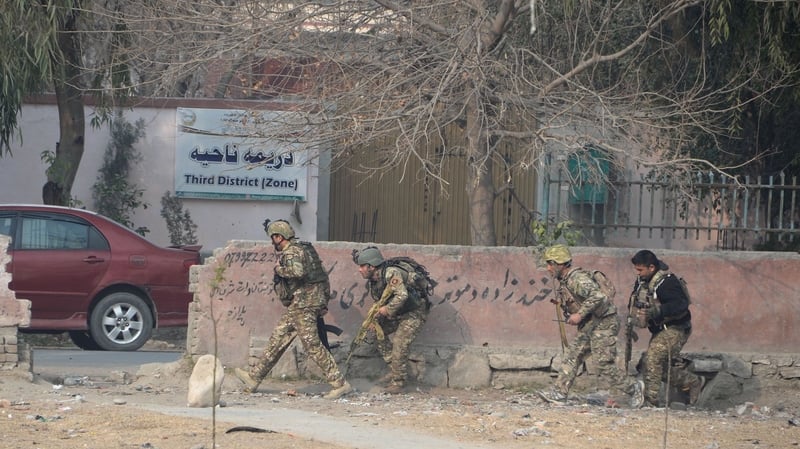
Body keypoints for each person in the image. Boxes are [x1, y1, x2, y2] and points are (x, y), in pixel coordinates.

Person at [234, 219, 352, 399]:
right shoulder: (305, 249)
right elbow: (322, 277)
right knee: (278, 338)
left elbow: (298, 273)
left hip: (303, 303)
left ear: (279, 237)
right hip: (304, 303)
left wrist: (279, 269)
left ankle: (340, 383)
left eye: (273, 238)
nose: (272, 242)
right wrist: (322, 302)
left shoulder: (291, 252)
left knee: (311, 344)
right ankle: (254, 378)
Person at [538, 244, 634, 405]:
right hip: (592, 323)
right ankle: (559, 393)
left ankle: (634, 388)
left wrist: (580, 314)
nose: (548, 268)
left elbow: (598, 297)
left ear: (560, 264)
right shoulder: (567, 280)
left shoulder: (577, 279)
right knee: (573, 355)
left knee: (603, 364)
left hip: (604, 322)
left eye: (550, 263)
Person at [629, 249, 704, 407]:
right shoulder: (642, 282)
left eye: (640, 270)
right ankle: (692, 381)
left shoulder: (667, 282)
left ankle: (651, 401)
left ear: (651, 267)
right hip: (659, 331)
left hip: (676, 328)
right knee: (649, 365)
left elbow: (681, 304)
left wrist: (659, 311)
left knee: (653, 357)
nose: (638, 273)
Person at [353, 246, 431, 394]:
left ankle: (398, 382)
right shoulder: (374, 280)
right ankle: (396, 370)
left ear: (371, 266)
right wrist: (374, 319)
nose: (360, 270)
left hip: (414, 312)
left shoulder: (390, 273)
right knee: (377, 332)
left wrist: (387, 310)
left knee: (400, 343)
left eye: (362, 266)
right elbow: (380, 301)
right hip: (399, 311)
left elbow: (402, 295)